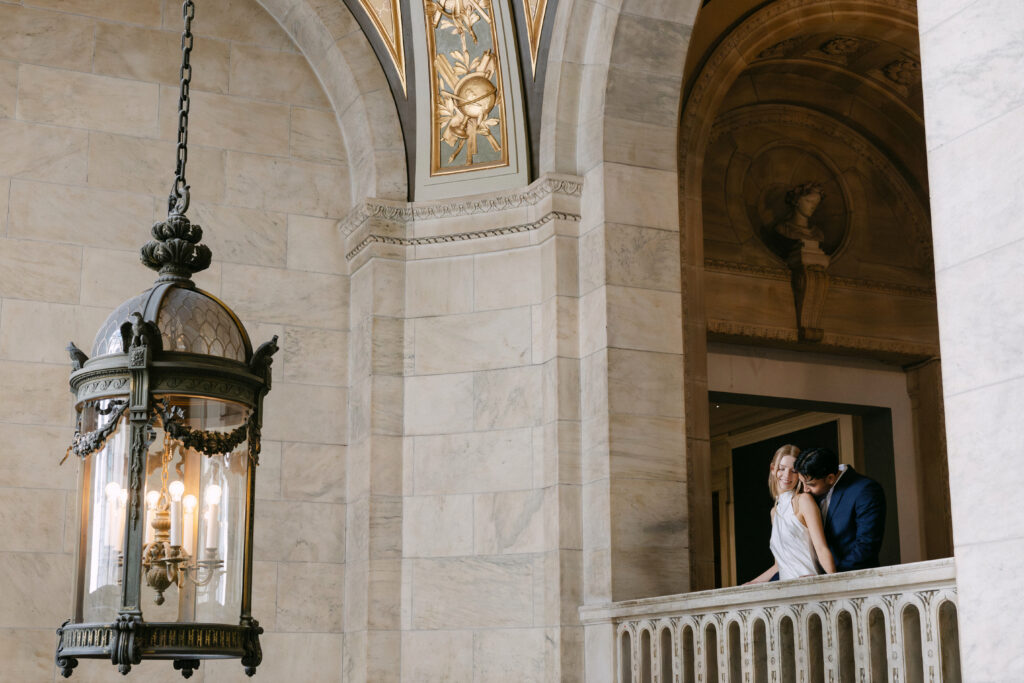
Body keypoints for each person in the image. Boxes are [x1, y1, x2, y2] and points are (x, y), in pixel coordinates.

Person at [747, 444, 836, 583]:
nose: (787, 476)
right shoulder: (774, 512)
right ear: (773, 469)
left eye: (794, 471)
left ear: (800, 474)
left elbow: (821, 549)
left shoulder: (804, 501)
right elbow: (778, 566)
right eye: (781, 469)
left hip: (810, 585)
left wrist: (834, 583)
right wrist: (750, 584)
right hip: (786, 590)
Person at [795, 446, 886, 571]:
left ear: (830, 478)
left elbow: (866, 546)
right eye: (802, 482)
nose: (805, 489)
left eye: (811, 484)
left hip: (854, 582)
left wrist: (832, 576)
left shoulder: (865, 490)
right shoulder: (810, 495)